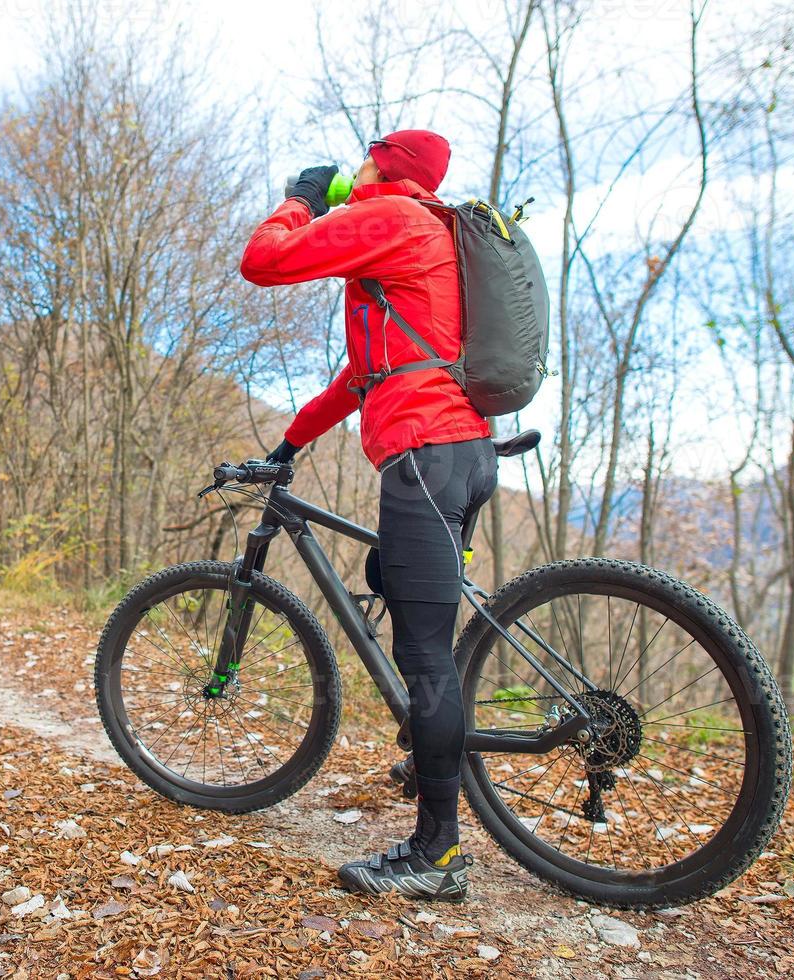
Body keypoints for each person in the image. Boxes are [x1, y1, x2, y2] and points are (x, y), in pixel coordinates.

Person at [239, 130, 498, 901]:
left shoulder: (393, 216)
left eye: (361, 160)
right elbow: (362, 376)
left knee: (424, 657)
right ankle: (427, 753)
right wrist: (287, 444)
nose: (351, 171)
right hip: (462, 452)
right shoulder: (427, 242)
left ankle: (437, 854)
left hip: (423, 452)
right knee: (392, 577)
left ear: (381, 167)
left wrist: (301, 199)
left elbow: (265, 261)